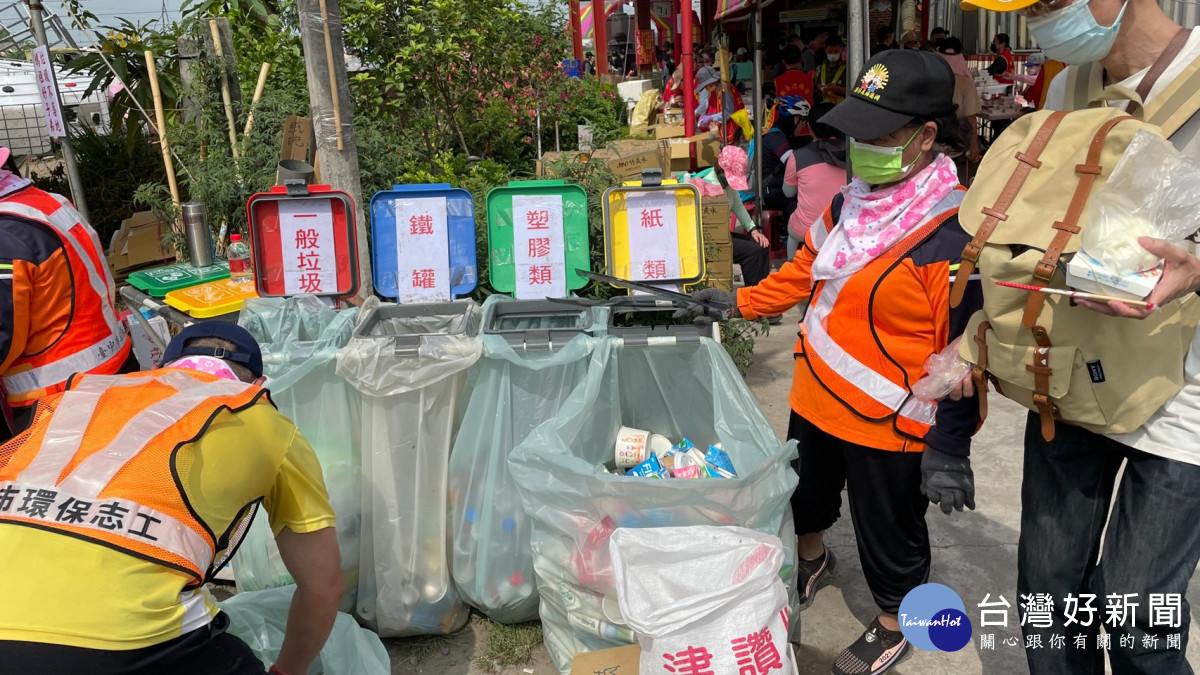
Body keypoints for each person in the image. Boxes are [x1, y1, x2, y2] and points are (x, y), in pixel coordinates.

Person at [677, 50, 983, 675]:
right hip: (815, 396)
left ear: (926, 137)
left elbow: (964, 357)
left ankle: (897, 617)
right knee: (806, 497)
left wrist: (950, 446)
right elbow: (800, 273)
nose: (859, 144)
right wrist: (736, 303)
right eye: (857, 130)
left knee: (889, 530)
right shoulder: (851, 204)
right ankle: (813, 556)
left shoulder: (955, 234)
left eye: (879, 133)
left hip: (889, 423)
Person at [964, 0, 1200, 671]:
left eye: (1049, 2)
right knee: (1048, 593)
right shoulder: (1069, 86)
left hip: (1182, 398)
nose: (1038, 18)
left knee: (1136, 619)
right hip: (1072, 374)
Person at [0, 322, 343, 674]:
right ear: (257, 386)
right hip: (127, 639)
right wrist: (286, 671)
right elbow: (323, 586)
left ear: (159, 370)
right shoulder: (266, 422)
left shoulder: (75, 398)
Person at [0, 146, 130, 444]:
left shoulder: (6, 234)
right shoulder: (43, 202)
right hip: (112, 369)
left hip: (58, 404)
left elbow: (3, 339)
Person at [782, 101, 847, 259]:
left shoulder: (797, 156)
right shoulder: (852, 152)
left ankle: (792, 266)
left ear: (810, 128)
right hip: (843, 227)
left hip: (807, 230)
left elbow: (788, 192)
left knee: (792, 229)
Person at [937, 37, 984, 166]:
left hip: (930, 143)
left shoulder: (929, 78)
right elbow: (971, 117)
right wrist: (974, 144)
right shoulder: (965, 82)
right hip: (955, 146)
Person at [815, 35, 848, 104]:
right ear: (825, 50)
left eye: (836, 52)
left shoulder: (847, 68)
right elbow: (815, 85)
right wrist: (819, 87)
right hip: (822, 106)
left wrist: (837, 89)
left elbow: (852, 90)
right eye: (830, 52)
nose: (833, 54)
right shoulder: (820, 67)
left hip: (840, 107)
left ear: (841, 49)